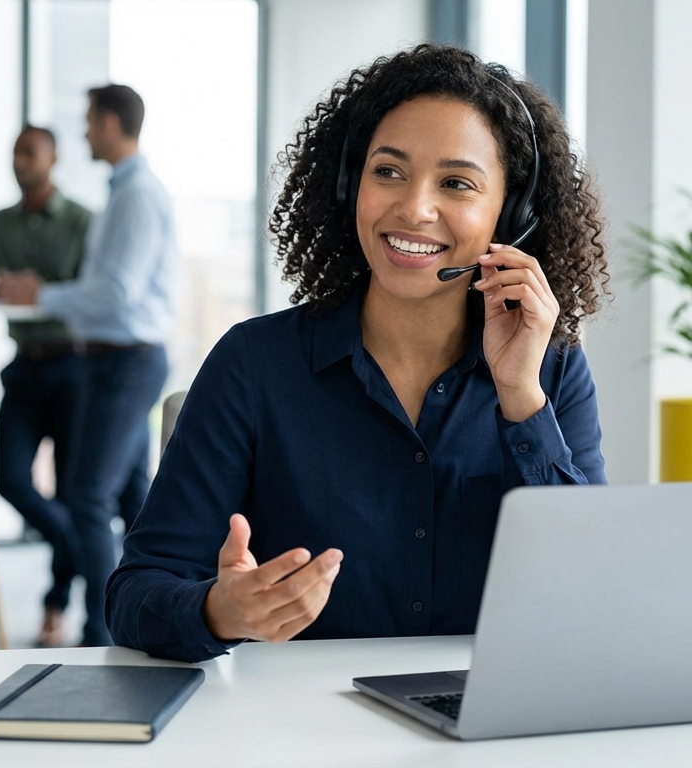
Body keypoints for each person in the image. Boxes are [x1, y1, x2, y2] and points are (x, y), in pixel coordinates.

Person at [105, 45, 610, 663]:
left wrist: (521, 400)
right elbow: (135, 594)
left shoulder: (550, 368)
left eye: (456, 183)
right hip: (307, 733)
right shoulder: (254, 365)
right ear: (352, 186)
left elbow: (591, 592)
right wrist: (220, 609)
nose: (413, 208)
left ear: (513, 214)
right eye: (388, 171)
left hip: (489, 724)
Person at [0, 85, 177, 648]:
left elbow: (117, 293)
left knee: (88, 496)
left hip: (125, 363)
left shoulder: (137, 196)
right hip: (109, 362)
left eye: (87, 122)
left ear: (108, 123)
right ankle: (156, 613)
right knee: (128, 500)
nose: (81, 133)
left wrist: (42, 297)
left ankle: (106, 631)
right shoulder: (121, 193)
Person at [0, 125, 148, 648]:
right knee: (11, 479)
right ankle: (78, 544)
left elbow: (93, 292)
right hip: (24, 366)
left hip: (75, 368)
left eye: (30, 152)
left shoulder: (82, 220)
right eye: (14, 151)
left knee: (78, 492)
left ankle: (58, 604)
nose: (19, 161)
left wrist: (38, 292)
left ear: (53, 159)